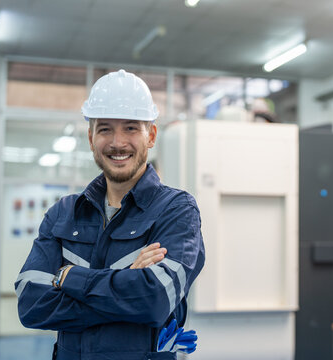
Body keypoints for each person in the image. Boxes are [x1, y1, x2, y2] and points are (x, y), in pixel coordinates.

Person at [15, 69, 205, 360]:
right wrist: (126, 285)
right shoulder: (64, 213)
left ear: (150, 135)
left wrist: (71, 278)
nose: (118, 142)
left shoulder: (176, 211)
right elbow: (32, 304)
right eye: (105, 128)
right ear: (91, 138)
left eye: (130, 128)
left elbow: (155, 300)